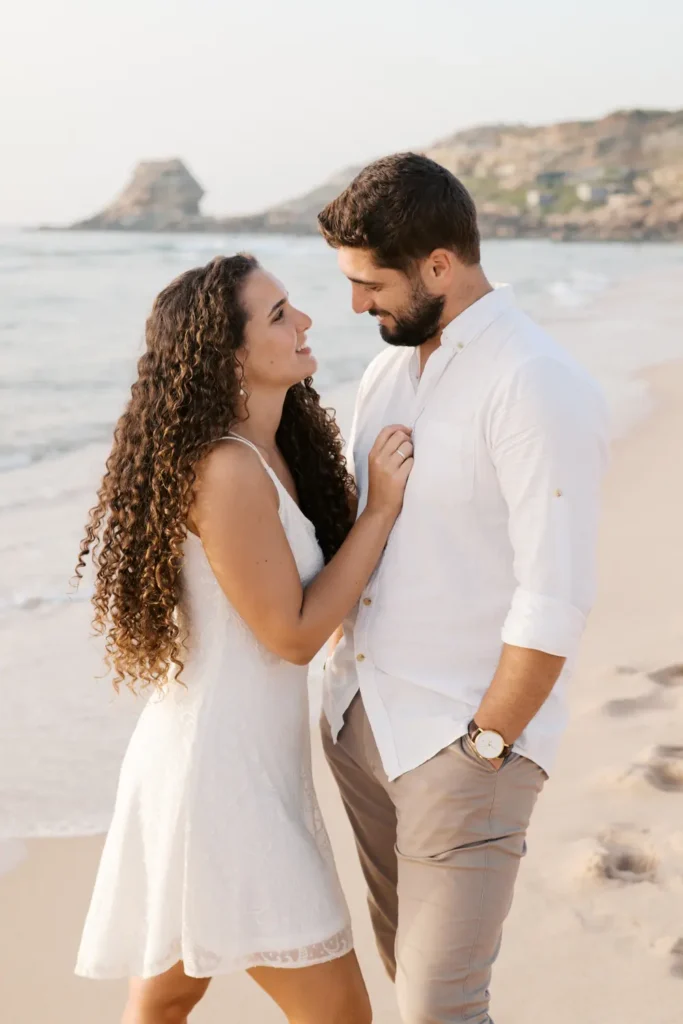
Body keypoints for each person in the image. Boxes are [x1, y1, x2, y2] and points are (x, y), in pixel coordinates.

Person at [74, 253, 414, 1024]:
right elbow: (291, 635)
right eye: (278, 314)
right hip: (217, 778)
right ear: (225, 354)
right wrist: (380, 512)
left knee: (164, 996)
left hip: (239, 762)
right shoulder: (227, 469)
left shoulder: (275, 454)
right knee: (338, 1015)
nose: (305, 321)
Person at [318, 154, 609, 1024]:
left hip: (463, 742)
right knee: (404, 975)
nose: (357, 305)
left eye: (371, 283)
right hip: (363, 724)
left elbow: (554, 589)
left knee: (438, 1010)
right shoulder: (387, 370)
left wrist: (487, 745)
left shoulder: (532, 380)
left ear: (439, 264)